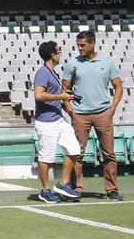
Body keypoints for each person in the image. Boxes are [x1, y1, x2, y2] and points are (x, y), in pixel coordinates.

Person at [64, 29, 125, 200]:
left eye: (83, 45)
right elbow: (65, 89)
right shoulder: (72, 64)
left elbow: (118, 87)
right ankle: (77, 189)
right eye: (78, 45)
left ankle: (112, 189)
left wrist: (112, 109)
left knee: (109, 154)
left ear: (93, 43)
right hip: (80, 115)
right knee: (77, 153)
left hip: (103, 113)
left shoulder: (107, 63)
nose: (80, 48)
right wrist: (69, 109)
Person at [29, 40, 81, 203]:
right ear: (53, 55)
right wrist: (62, 96)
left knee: (74, 149)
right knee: (46, 156)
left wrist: (69, 109)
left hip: (58, 119)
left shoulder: (52, 73)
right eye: (59, 52)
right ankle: (45, 190)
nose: (60, 55)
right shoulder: (43, 73)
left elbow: (56, 96)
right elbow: (39, 95)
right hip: (46, 122)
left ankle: (63, 183)